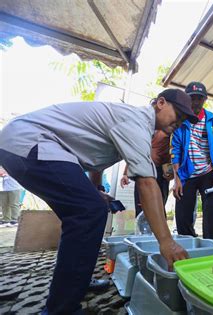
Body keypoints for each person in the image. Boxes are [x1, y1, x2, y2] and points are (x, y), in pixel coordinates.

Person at [0, 88, 197, 314]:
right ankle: (62, 308)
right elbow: (146, 182)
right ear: (161, 103)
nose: (180, 121)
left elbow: (98, 159)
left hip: (27, 143)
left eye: (185, 119)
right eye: (178, 113)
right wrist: (167, 241)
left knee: (89, 209)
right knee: (88, 212)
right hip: (28, 141)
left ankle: (75, 283)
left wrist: (97, 190)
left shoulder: (135, 124)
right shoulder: (135, 120)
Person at [171, 81, 213, 244]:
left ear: (204, 100)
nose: (195, 102)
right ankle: (185, 245)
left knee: (211, 213)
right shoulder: (180, 120)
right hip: (186, 172)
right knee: (182, 213)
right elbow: (174, 150)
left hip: (208, 173)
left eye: (199, 98)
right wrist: (177, 179)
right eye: (192, 98)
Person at [121, 129, 173, 217]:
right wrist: (125, 173)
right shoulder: (145, 126)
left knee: (158, 208)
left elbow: (174, 150)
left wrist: (170, 171)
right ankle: (142, 229)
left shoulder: (168, 127)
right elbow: (135, 150)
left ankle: (158, 230)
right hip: (142, 169)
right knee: (140, 208)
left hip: (160, 172)